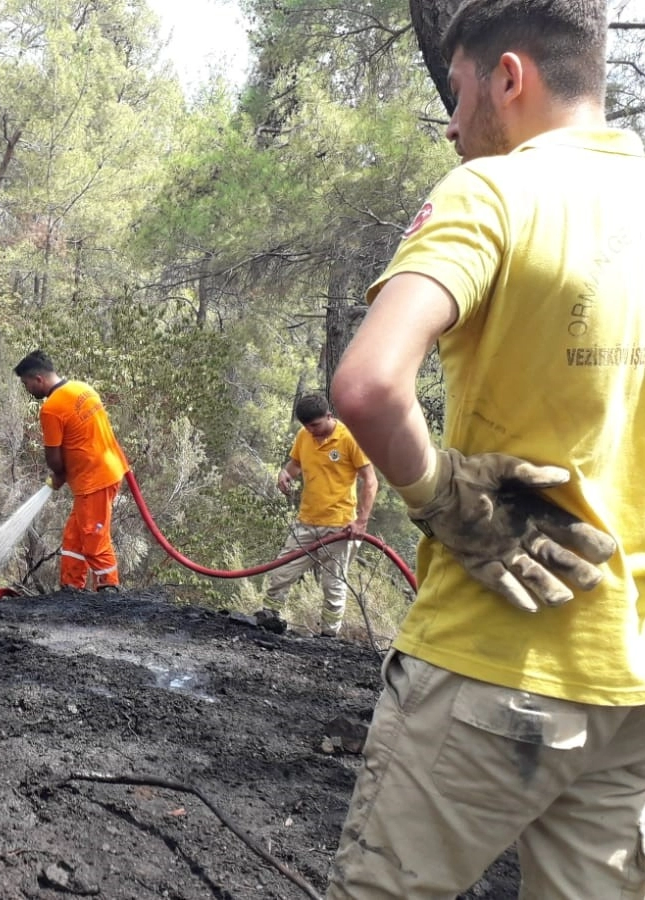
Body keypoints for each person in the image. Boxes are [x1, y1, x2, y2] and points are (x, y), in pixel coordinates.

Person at [326, 0, 641, 895]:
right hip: (631, 687)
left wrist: (444, 499)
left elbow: (370, 385)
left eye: (459, 94)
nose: (456, 125)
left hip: (490, 667)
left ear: (512, 75)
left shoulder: (497, 192)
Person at [258, 393, 377, 637]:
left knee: (333, 585)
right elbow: (295, 465)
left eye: (315, 425)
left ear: (329, 416)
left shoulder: (349, 439)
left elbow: (371, 481)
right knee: (282, 572)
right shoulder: (304, 436)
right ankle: (269, 620)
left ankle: (328, 637)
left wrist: (361, 522)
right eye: (306, 426)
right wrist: (285, 474)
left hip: (340, 527)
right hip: (307, 523)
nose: (311, 431)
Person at [13, 350, 129, 592]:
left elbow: (54, 459)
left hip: (94, 480)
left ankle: (110, 592)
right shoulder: (82, 388)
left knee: (94, 540)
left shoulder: (52, 408)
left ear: (38, 380)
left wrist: (58, 474)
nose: (27, 390)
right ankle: (71, 589)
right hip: (108, 469)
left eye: (26, 384)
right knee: (74, 539)